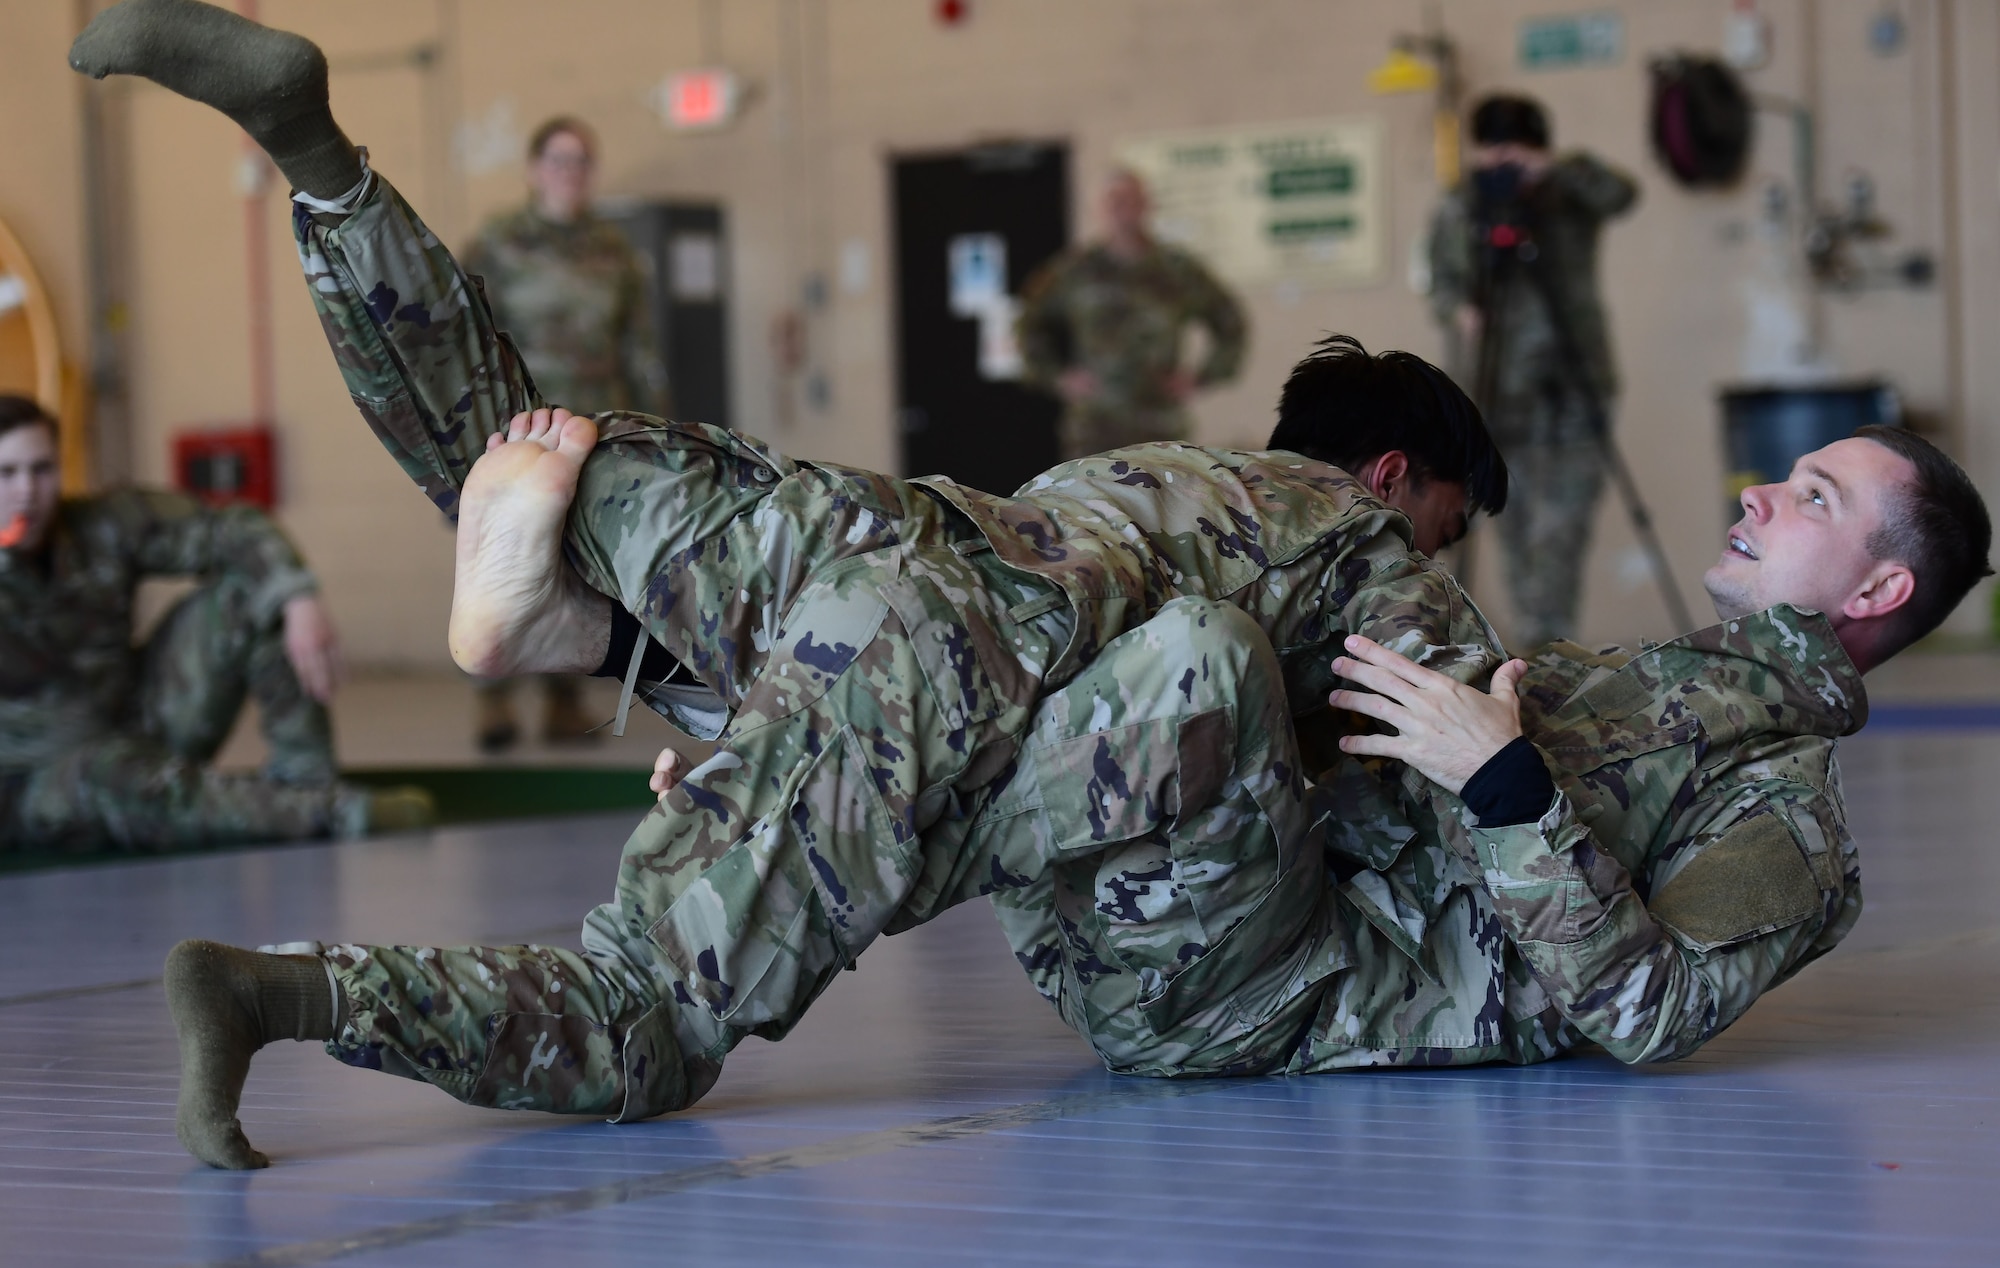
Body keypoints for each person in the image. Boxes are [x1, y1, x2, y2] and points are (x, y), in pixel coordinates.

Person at [68, 2, 1991, 1171]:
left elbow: (1648, 1006)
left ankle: (663, 661)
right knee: (551, 488)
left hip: (1238, 980)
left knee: (1163, 642)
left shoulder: (1784, 816)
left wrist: (1501, 787)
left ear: (1880, 586)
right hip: (1009, 655)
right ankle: (334, 184)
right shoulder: (1565, 648)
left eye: (1816, 491)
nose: (1767, 482)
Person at [0, 395, 434, 853]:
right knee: (112, 780)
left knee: (253, 591)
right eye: (6, 473)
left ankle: (308, 782)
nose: (27, 490)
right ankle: (330, 815)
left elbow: (229, 528)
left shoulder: (101, 525)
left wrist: (297, 596)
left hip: (136, 723)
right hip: (39, 779)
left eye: (41, 469)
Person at [461, 114, 670, 751]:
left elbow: (639, 347)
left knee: (580, 564)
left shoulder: (614, 251)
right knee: (505, 557)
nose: (568, 173)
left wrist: (656, 429)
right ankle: (493, 702)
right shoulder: (497, 243)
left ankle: (562, 700)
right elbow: (466, 337)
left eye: (580, 161)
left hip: (594, 430)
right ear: (534, 169)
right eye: (557, 160)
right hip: (518, 429)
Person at [1427, 93, 1638, 650]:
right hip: (1495, 392)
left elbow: (1623, 194)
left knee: (1562, 529)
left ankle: (1550, 644)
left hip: (1574, 386)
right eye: (1492, 150)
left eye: (1515, 150)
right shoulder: (1463, 206)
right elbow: (1440, 282)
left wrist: (1554, 171)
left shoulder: (1567, 192)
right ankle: (1529, 645)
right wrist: (1462, 312)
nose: (1503, 164)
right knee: (1510, 522)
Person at [1017, 169, 1247, 460]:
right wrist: (1057, 376)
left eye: (1128, 199)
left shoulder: (1178, 271)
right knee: (1094, 491)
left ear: (1146, 205)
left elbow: (1230, 323)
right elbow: (1028, 322)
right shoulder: (1075, 271)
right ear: (1098, 209)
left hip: (1160, 423)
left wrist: (1203, 376)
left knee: (1164, 489)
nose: (1120, 208)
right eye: (1111, 200)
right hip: (1096, 425)